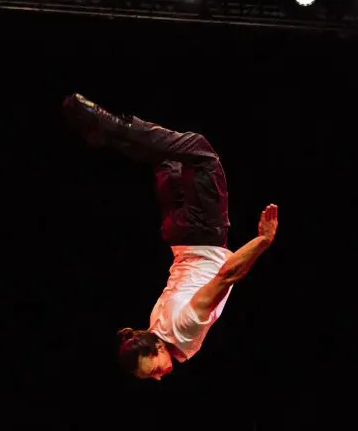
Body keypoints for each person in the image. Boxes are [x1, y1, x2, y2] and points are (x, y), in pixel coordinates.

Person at [62, 93, 279, 380]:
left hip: (203, 231)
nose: (159, 376)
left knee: (202, 155)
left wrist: (263, 241)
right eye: (153, 376)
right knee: (167, 157)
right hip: (177, 235)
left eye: (153, 370)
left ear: (154, 349)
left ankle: (111, 126)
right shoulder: (155, 325)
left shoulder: (182, 329)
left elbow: (226, 275)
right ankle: (108, 135)